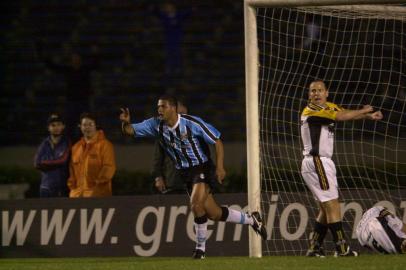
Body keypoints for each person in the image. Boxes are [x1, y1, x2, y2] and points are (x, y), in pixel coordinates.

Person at [120, 95, 267, 259]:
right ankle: (252, 220)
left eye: (163, 106)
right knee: (214, 213)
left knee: (196, 204)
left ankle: (200, 250)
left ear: (173, 108)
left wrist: (220, 167)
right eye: (158, 107)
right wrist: (125, 122)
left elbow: (217, 141)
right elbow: (130, 131)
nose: (159, 110)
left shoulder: (191, 123)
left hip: (202, 167)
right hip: (185, 173)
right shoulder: (156, 125)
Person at [301, 80, 383, 257]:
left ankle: (315, 247)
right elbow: (340, 117)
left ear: (326, 93)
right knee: (333, 205)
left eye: (319, 90)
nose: (316, 94)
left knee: (325, 208)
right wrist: (363, 110)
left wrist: (367, 117)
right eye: (312, 91)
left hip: (321, 163)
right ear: (309, 94)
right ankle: (342, 248)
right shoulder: (311, 111)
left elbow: (343, 112)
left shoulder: (329, 107)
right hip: (317, 162)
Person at [67, 112, 116, 197]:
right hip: (77, 195)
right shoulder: (76, 147)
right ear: (80, 126)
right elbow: (72, 170)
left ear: (96, 126)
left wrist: (96, 189)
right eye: (84, 125)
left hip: (98, 196)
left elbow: (108, 168)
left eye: (90, 124)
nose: (87, 128)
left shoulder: (105, 145)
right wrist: (73, 189)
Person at [152, 100, 188, 194]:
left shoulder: (195, 130)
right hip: (172, 183)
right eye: (179, 113)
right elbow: (158, 159)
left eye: (183, 114)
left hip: (193, 182)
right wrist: (158, 178)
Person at [34, 113, 71, 197]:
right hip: (45, 187)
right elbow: (36, 164)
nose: (56, 128)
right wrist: (54, 163)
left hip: (62, 187)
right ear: (48, 128)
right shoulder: (44, 143)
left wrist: (44, 163)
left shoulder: (67, 142)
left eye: (59, 124)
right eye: (53, 125)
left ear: (63, 126)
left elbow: (63, 160)